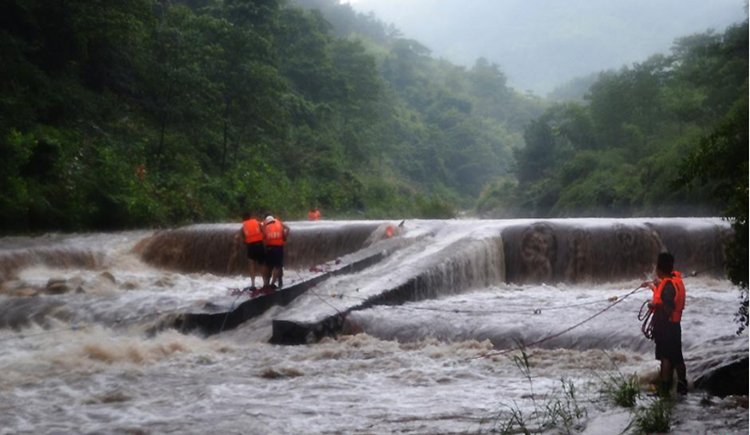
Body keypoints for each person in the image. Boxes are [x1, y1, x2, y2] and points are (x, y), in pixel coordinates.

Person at [640, 252, 687, 396]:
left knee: (665, 358)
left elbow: (666, 307)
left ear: (659, 270)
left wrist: (652, 304)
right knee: (677, 357)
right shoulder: (675, 281)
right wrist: (652, 287)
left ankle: (664, 390)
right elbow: (666, 295)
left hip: (666, 326)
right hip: (675, 325)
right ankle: (682, 385)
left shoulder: (667, 286)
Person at [238, 212, 266, 289]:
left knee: (251, 265)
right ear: (250, 217)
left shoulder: (243, 226)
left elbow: (240, 237)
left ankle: (253, 285)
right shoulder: (258, 223)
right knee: (262, 265)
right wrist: (261, 239)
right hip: (259, 245)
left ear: (243, 219)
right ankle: (265, 284)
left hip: (251, 246)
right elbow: (264, 233)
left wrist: (245, 242)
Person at [264, 215, 290, 289]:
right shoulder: (279, 227)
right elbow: (284, 237)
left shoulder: (266, 228)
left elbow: (264, 239)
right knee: (278, 266)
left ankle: (266, 284)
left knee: (268, 266)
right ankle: (273, 283)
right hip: (278, 248)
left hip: (269, 248)